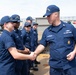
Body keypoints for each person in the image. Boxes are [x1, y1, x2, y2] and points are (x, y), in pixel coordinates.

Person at [33, 5, 76, 75]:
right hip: (55, 68)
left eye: (49, 15)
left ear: (56, 14)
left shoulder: (70, 28)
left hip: (70, 66)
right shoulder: (47, 31)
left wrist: (74, 52)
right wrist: (35, 53)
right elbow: (42, 44)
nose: (47, 18)